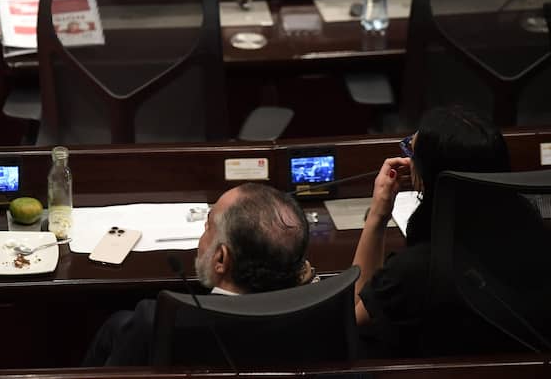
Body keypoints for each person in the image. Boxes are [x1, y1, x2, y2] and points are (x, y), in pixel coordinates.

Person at [83, 183, 312, 366]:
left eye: (208, 226)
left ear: (221, 259)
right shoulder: (319, 316)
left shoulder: (152, 322)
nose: (203, 235)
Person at [352, 105, 510, 357]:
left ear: (427, 178)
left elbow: (355, 314)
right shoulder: (533, 245)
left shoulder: (414, 271)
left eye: (410, 151)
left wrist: (378, 215)